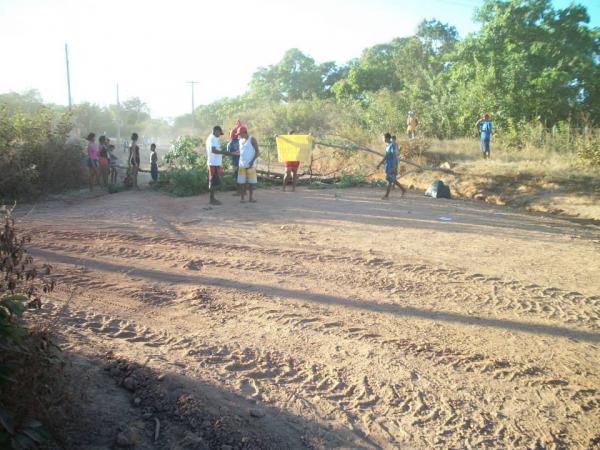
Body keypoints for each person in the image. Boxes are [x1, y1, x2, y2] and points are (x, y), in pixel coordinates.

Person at [377, 132, 406, 199]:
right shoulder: (387, 146)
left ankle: (386, 195)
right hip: (388, 164)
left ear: (387, 138)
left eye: (383, 138)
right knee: (391, 179)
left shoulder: (392, 145)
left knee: (390, 179)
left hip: (392, 165)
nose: (383, 139)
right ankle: (403, 189)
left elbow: (394, 156)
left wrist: (393, 166)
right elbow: (386, 156)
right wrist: (379, 164)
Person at [205, 125, 228, 205]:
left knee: (214, 181)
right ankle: (212, 199)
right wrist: (224, 152)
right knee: (212, 181)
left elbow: (216, 150)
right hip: (213, 163)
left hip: (215, 163)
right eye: (219, 133)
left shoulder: (213, 138)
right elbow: (213, 150)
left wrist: (222, 153)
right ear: (216, 131)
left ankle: (213, 198)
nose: (219, 135)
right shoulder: (212, 138)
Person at [237, 126, 260, 203]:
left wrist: (251, 161)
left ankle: (251, 198)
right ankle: (242, 198)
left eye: (240, 133)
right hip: (241, 164)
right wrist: (230, 153)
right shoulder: (240, 141)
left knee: (251, 183)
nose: (239, 135)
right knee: (241, 183)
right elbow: (240, 152)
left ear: (244, 132)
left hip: (251, 165)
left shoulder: (252, 139)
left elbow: (257, 152)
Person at [227, 127, 241, 196]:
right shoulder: (241, 141)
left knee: (236, 177)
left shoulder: (230, 144)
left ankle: (238, 191)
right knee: (242, 176)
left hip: (235, 162)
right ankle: (243, 191)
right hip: (242, 162)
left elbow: (228, 153)